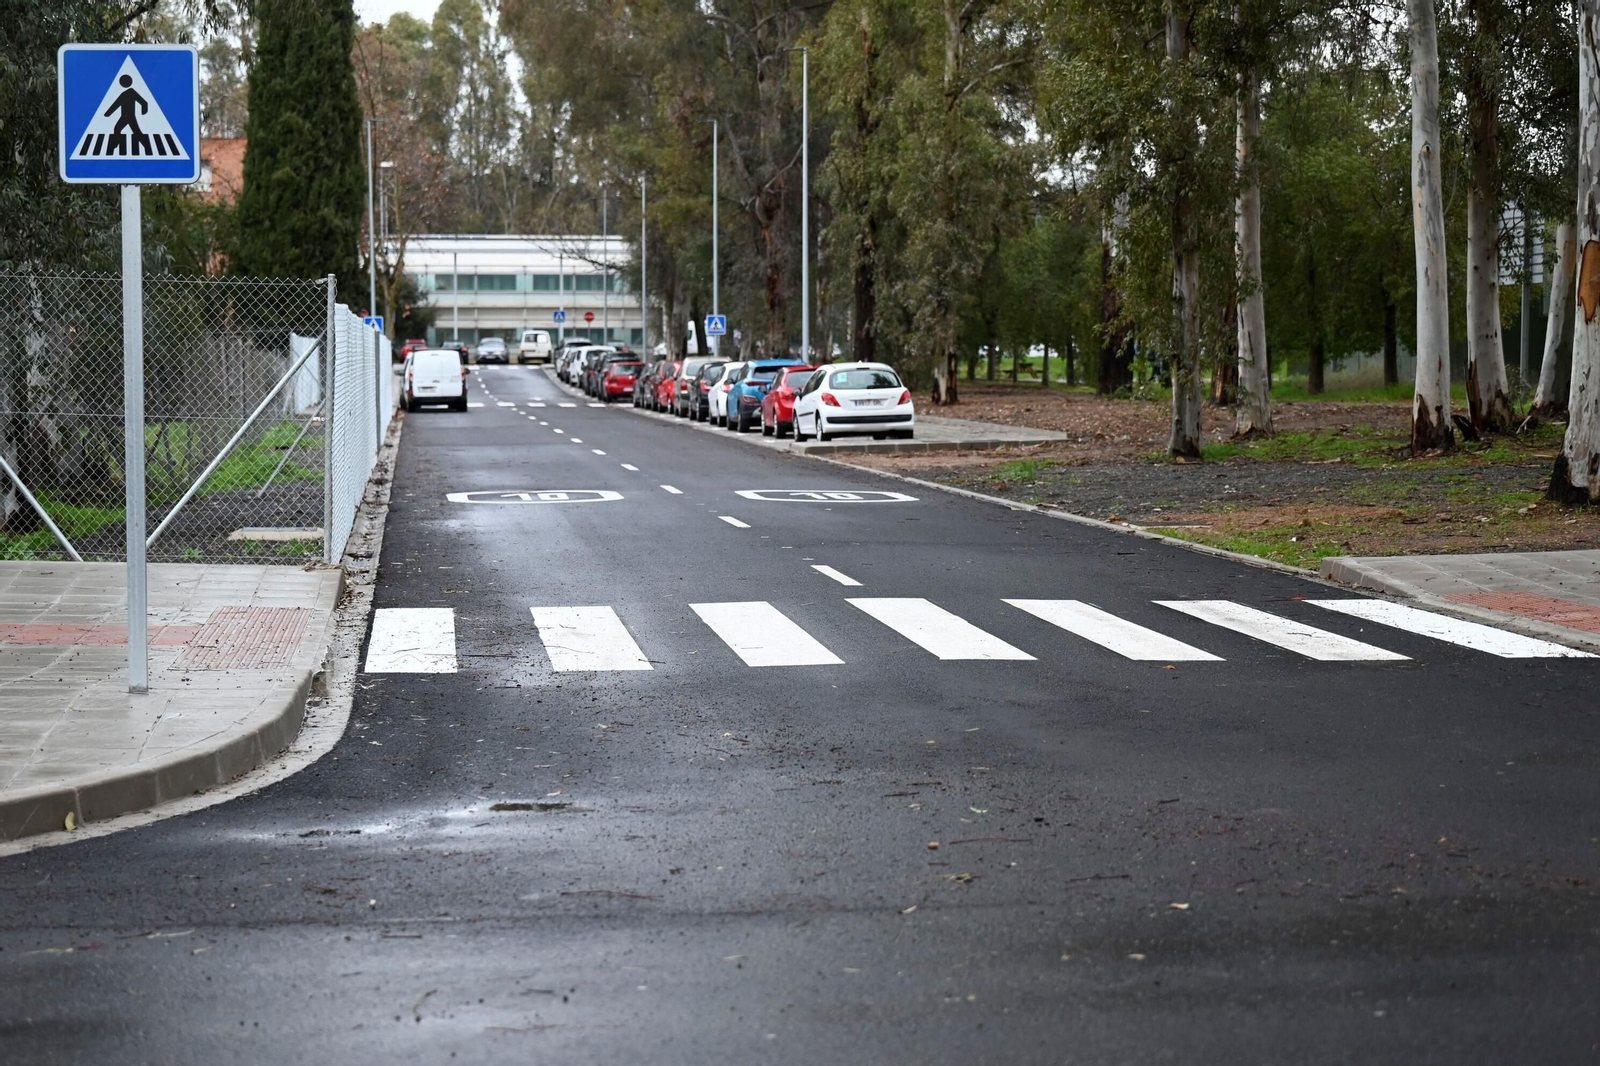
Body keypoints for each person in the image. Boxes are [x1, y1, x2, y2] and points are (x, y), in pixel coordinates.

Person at [105, 74, 151, 156]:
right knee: (118, 129)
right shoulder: (125, 94)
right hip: (125, 117)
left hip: (130, 117)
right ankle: (116, 143)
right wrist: (107, 114)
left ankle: (147, 146)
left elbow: (144, 102)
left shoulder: (131, 93)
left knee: (135, 132)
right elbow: (116, 105)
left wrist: (143, 111)